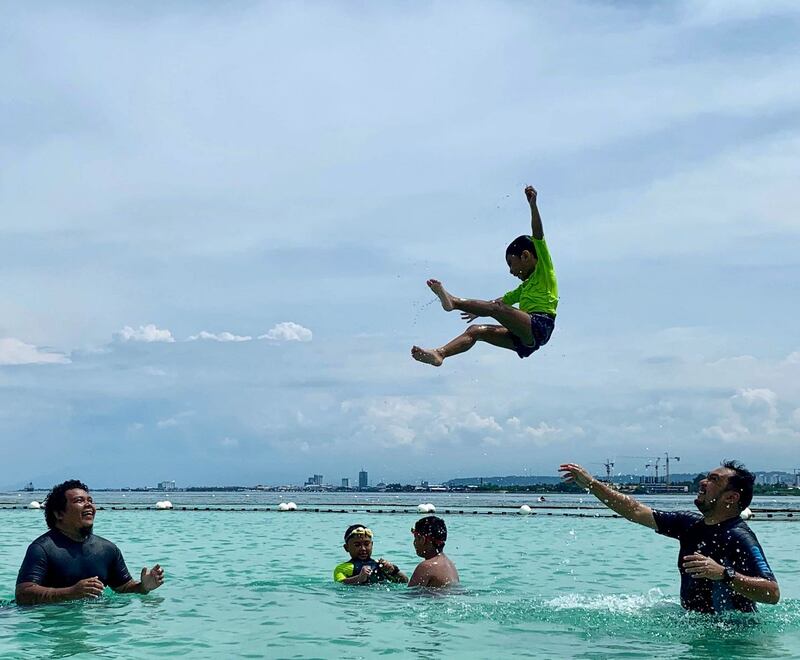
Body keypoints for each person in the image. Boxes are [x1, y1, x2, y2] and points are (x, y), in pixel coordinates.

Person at [559, 461, 780, 613]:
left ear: (731, 497)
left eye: (714, 480)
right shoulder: (689, 525)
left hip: (734, 636)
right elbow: (635, 511)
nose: (703, 482)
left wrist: (723, 574)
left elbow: (772, 592)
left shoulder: (739, 537)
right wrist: (591, 483)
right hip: (694, 626)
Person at [412, 185, 558, 366]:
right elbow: (502, 301)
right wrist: (477, 311)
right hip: (523, 336)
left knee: (496, 308)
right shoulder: (524, 288)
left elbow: (538, 233)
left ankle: (454, 302)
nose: (511, 271)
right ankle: (440, 354)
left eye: (512, 264)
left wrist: (533, 206)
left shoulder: (544, 269)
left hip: (539, 326)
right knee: (476, 331)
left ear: (526, 256)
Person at [15, 480, 165, 605]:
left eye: (90, 501)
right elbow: (23, 594)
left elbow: (124, 587)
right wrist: (71, 592)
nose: (89, 505)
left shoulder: (107, 550)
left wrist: (144, 587)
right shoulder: (42, 548)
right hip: (47, 625)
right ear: (59, 513)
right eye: (79, 501)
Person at [333, 524, 408, 585]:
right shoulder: (341, 569)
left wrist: (394, 571)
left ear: (372, 545)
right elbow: (339, 584)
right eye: (357, 545)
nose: (363, 548)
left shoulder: (380, 566)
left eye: (366, 544)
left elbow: (405, 582)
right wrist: (359, 578)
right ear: (347, 548)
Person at [408, 516, 459, 588]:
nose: (414, 542)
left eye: (415, 538)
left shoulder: (426, 567)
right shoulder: (450, 565)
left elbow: (408, 597)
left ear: (422, 539)